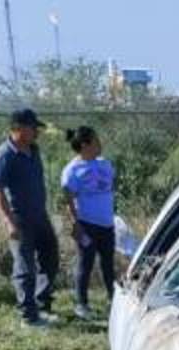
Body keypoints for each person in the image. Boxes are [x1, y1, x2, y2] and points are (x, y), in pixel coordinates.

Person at [0, 108, 59, 328]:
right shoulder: (4, 154)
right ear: (18, 128)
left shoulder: (34, 150)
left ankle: (41, 305)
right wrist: (9, 221)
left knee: (50, 257)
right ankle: (28, 317)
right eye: (32, 128)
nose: (36, 132)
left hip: (40, 215)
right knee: (25, 267)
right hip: (20, 219)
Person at [61, 126, 116, 321]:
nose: (100, 144)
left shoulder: (106, 165)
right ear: (85, 145)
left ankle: (114, 301)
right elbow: (69, 201)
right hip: (87, 225)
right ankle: (81, 303)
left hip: (107, 225)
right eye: (95, 140)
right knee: (86, 263)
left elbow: (109, 193)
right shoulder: (72, 171)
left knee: (109, 264)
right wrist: (76, 224)